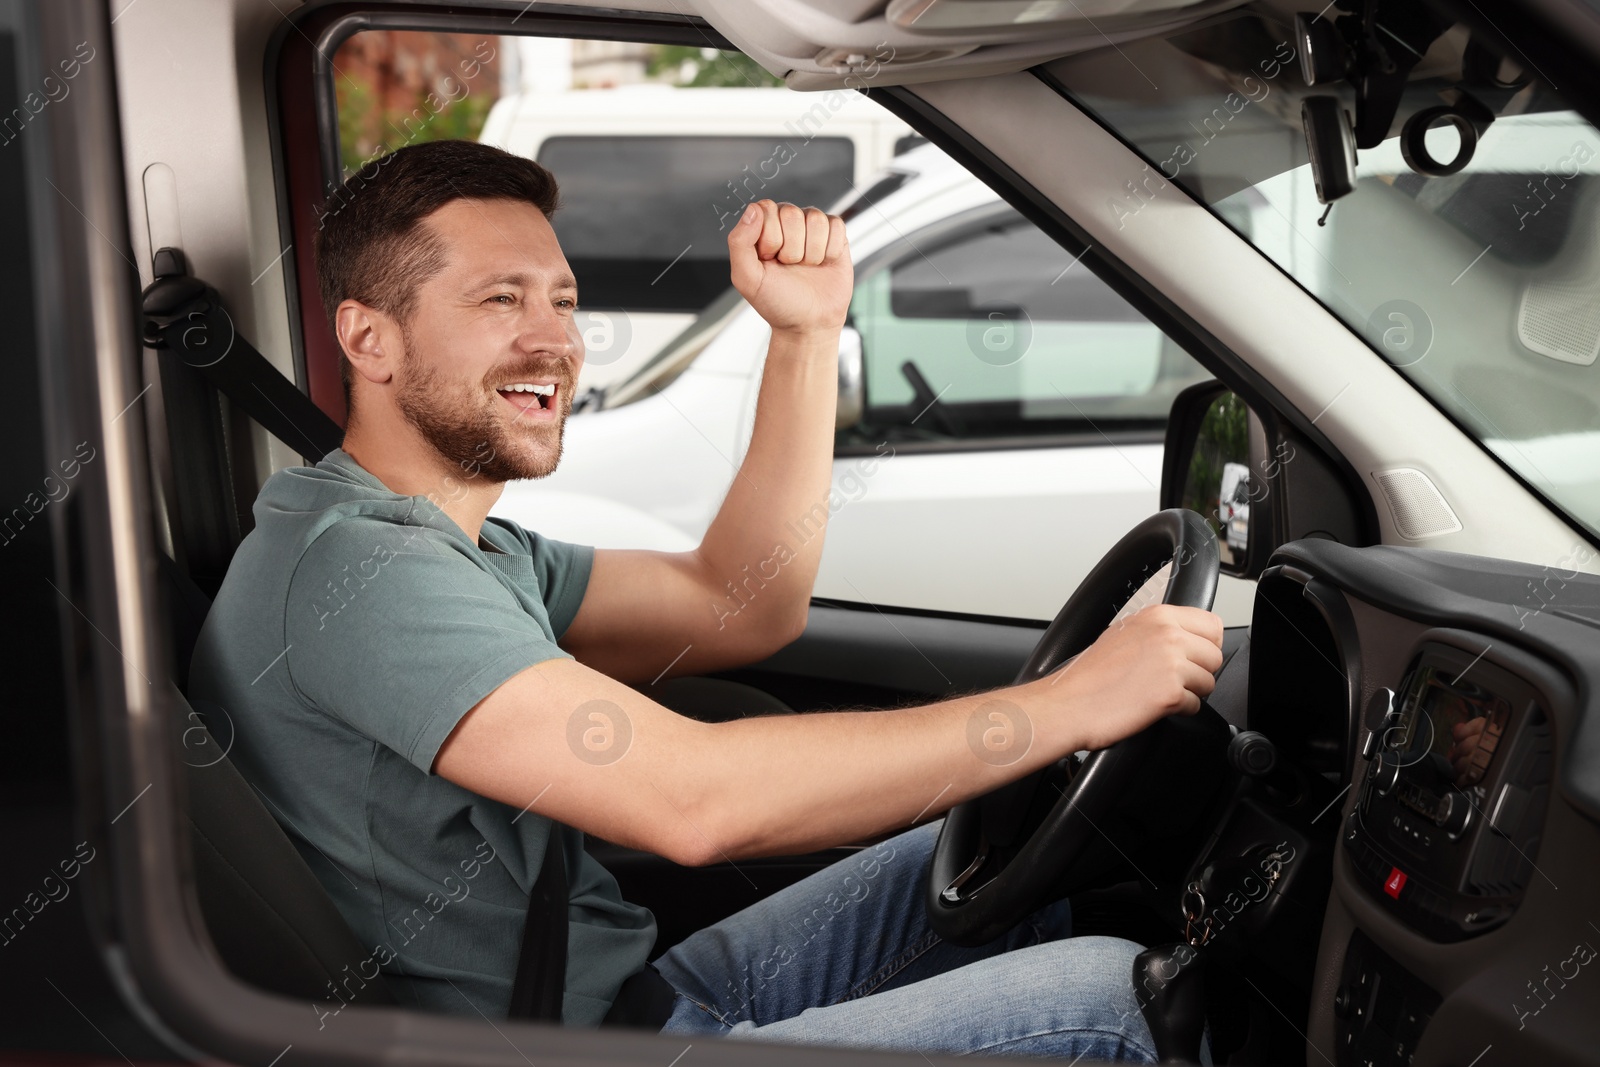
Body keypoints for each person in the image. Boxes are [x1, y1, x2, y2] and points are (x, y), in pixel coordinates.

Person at [188, 139, 1224, 1061]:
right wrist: (1065, 704)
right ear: (369, 339)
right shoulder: (356, 573)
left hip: (625, 997)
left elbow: (738, 601)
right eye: (500, 299)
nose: (554, 340)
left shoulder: (463, 546)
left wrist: (807, 333)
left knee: (995, 837)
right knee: (1103, 1002)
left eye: (561, 298)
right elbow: (692, 801)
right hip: (559, 1043)